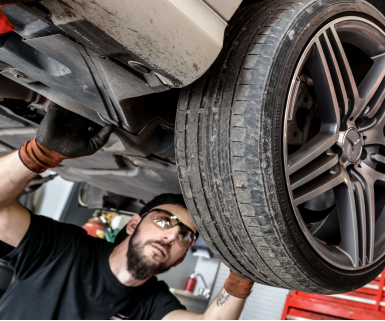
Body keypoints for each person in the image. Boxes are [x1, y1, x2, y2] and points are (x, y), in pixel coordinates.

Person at [0, 103, 254, 320]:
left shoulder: (150, 303)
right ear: (133, 224)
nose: (171, 236)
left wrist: (244, 274)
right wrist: (38, 155)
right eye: (165, 222)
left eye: (185, 236)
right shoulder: (62, 250)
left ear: (179, 259)